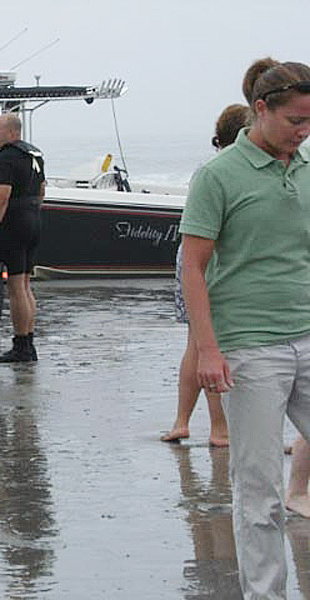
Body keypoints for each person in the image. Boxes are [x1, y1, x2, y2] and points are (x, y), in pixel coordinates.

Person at [180, 58, 310, 598]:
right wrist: (207, 350)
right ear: (261, 111)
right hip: (250, 350)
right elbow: (193, 266)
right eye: (296, 121)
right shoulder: (218, 176)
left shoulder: (304, 169)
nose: (304, 132)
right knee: (258, 489)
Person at [161, 104, 249, 447]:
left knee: (195, 344)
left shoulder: (206, 168)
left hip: (189, 256)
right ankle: (219, 428)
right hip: (209, 259)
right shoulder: (229, 168)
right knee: (212, 344)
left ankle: (183, 422)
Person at [0, 112, 44, 363]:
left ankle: (21, 346)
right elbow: (41, 191)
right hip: (33, 218)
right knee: (26, 284)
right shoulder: (34, 154)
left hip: (14, 222)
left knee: (16, 287)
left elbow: (1, 197)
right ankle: (28, 341)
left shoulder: (7, 156)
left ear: (12, 132)